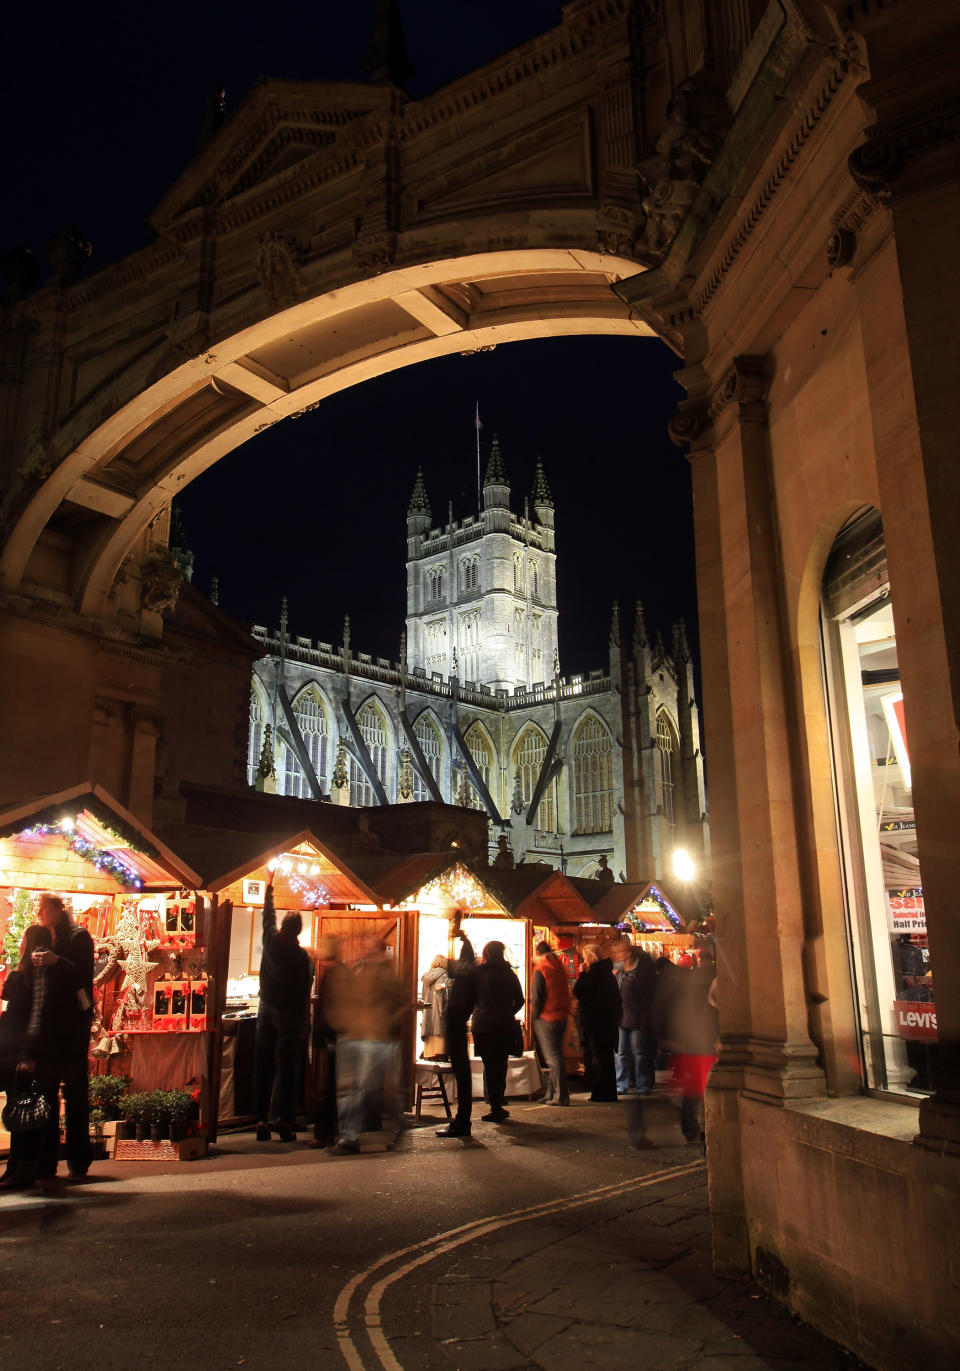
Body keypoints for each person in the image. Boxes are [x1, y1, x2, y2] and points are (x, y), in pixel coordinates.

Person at [328, 937, 409, 1154]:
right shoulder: (359, 970)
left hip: (374, 1038)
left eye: (371, 947)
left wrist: (385, 1023)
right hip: (356, 1035)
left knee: (366, 1088)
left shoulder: (385, 974)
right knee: (353, 1089)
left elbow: (402, 1003)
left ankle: (395, 1124)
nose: (366, 950)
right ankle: (349, 1136)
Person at [34, 893, 94, 1179]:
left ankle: (78, 1161)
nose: (39, 914)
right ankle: (48, 1161)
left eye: (43, 909)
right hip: (52, 1028)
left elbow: (83, 976)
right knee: (48, 1094)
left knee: (75, 1094)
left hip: (72, 1028)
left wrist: (57, 961)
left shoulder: (78, 936)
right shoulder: (49, 935)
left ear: (57, 909)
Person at [253, 873, 313, 1142]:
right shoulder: (301, 957)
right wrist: (303, 1020)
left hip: (266, 1009)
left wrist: (269, 885)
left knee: (263, 1064)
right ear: (298, 932)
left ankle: (260, 1118)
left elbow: (268, 915)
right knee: (286, 1067)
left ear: (281, 928)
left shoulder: (270, 943)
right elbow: (303, 992)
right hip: (288, 1015)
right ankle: (282, 1118)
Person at [0, 924, 60, 1191]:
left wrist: (27, 1051)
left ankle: (21, 1167)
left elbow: (23, 1016)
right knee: (27, 1107)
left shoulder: (24, 978)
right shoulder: (44, 976)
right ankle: (23, 1165)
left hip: (22, 1051)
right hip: (31, 1050)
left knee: (22, 1107)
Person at [662, 947, 719, 1146]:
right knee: (703, 1089)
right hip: (705, 1041)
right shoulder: (714, 980)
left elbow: (680, 1011)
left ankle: (692, 1129)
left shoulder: (690, 981)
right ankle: (703, 1130)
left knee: (693, 1090)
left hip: (691, 1041)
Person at [471, 941, 524, 1124]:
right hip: (504, 1025)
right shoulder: (509, 973)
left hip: (484, 1025)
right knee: (501, 1065)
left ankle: (494, 1105)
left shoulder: (480, 974)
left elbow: (471, 998)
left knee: (490, 1065)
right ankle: (498, 1103)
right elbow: (520, 999)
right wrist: (508, 1012)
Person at [436, 927, 477, 1139]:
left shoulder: (466, 975)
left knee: (462, 1073)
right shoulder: (469, 973)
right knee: (462, 1073)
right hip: (458, 1025)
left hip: (457, 1026)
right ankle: (462, 1120)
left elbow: (459, 1005)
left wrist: (464, 940)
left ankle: (462, 1121)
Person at [309, 935, 350, 1149]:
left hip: (333, 1035)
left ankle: (325, 1132)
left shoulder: (336, 973)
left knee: (328, 1085)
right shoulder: (337, 971)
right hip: (334, 1035)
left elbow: (336, 1005)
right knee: (330, 1084)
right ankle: (329, 1131)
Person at [573, 943, 621, 1102]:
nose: (584, 962)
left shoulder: (594, 975)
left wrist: (582, 974)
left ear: (592, 958)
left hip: (596, 1024)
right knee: (605, 1059)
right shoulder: (607, 974)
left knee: (599, 1059)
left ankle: (601, 1093)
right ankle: (608, 1092)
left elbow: (578, 991)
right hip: (606, 1023)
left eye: (585, 958)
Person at [614, 938, 657, 1097]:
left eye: (620, 952)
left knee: (639, 1052)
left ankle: (643, 1085)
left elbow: (648, 993)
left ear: (627, 952)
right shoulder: (618, 970)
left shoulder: (642, 969)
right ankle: (621, 1084)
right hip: (621, 1016)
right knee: (621, 1052)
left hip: (638, 1017)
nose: (617, 956)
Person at [532, 940, 572, 1106]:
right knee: (556, 1056)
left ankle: (561, 1096)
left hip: (546, 1017)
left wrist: (534, 1016)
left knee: (553, 1059)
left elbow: (538, 996)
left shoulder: (542, 969)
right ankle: (550, 1093)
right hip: (561, 1016)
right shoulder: (558, 966)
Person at [419, 954, 451, 1059]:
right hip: (440, 1015)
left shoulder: (426, 977)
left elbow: (423, 997)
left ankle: (429, 1053)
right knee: (441, 1053)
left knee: (430, 1056)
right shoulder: (446, 975)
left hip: (428, 1013)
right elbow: (447, 997)